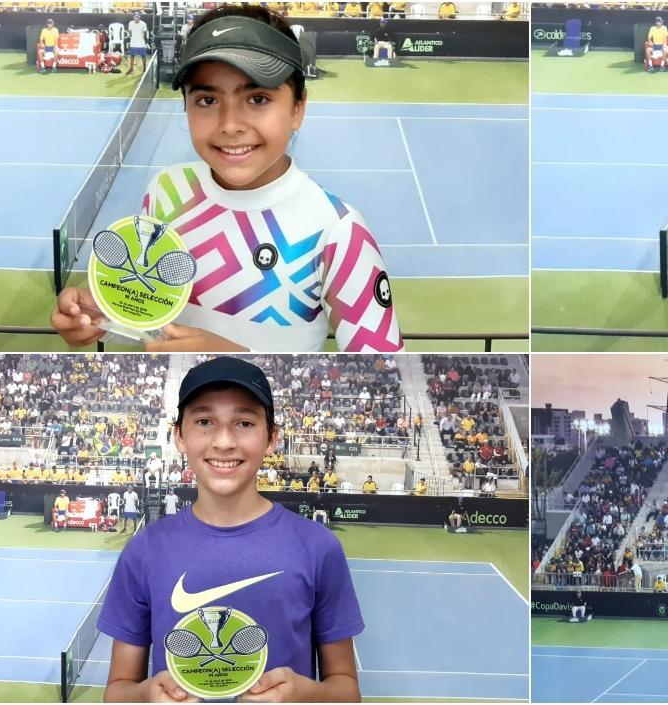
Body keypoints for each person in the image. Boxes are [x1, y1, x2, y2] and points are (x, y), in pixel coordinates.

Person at [50, 4, 403, 353]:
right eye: (207, 100)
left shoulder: (339, 232)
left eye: (258, 98)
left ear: (298, 108)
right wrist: (106, 317)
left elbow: (386, 374)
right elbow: (155, 320)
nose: (230, 125)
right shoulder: (166, 191)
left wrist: (234, 361)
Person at [97, 356, 362, 702]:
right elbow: (117, 691)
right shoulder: (143, 550)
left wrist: (305, 695)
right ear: (179, 436)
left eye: (244, 423)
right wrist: (147, 695)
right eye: (204, 421)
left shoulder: (318, 546)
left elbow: (346, 690)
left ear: (271, 438)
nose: (223, 442)